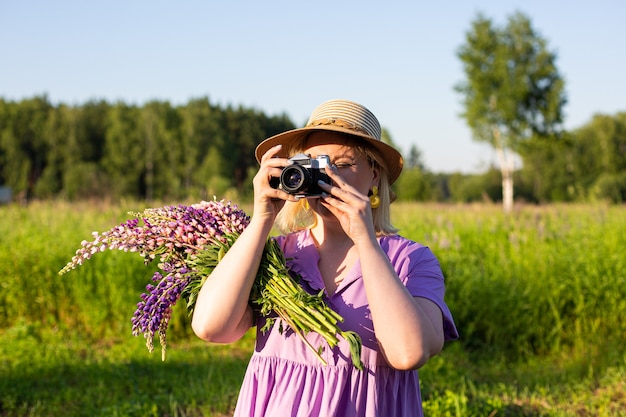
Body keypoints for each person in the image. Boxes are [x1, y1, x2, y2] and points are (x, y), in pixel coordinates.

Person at [191, 99, 458, 417]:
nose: (328, 177)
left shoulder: (410, 260)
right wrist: (262, 218)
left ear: (374, 175)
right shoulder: (278, 255)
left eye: (343, 164)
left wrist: (365, 240)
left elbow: (408, 353)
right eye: (314, 164)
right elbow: (211, 327)